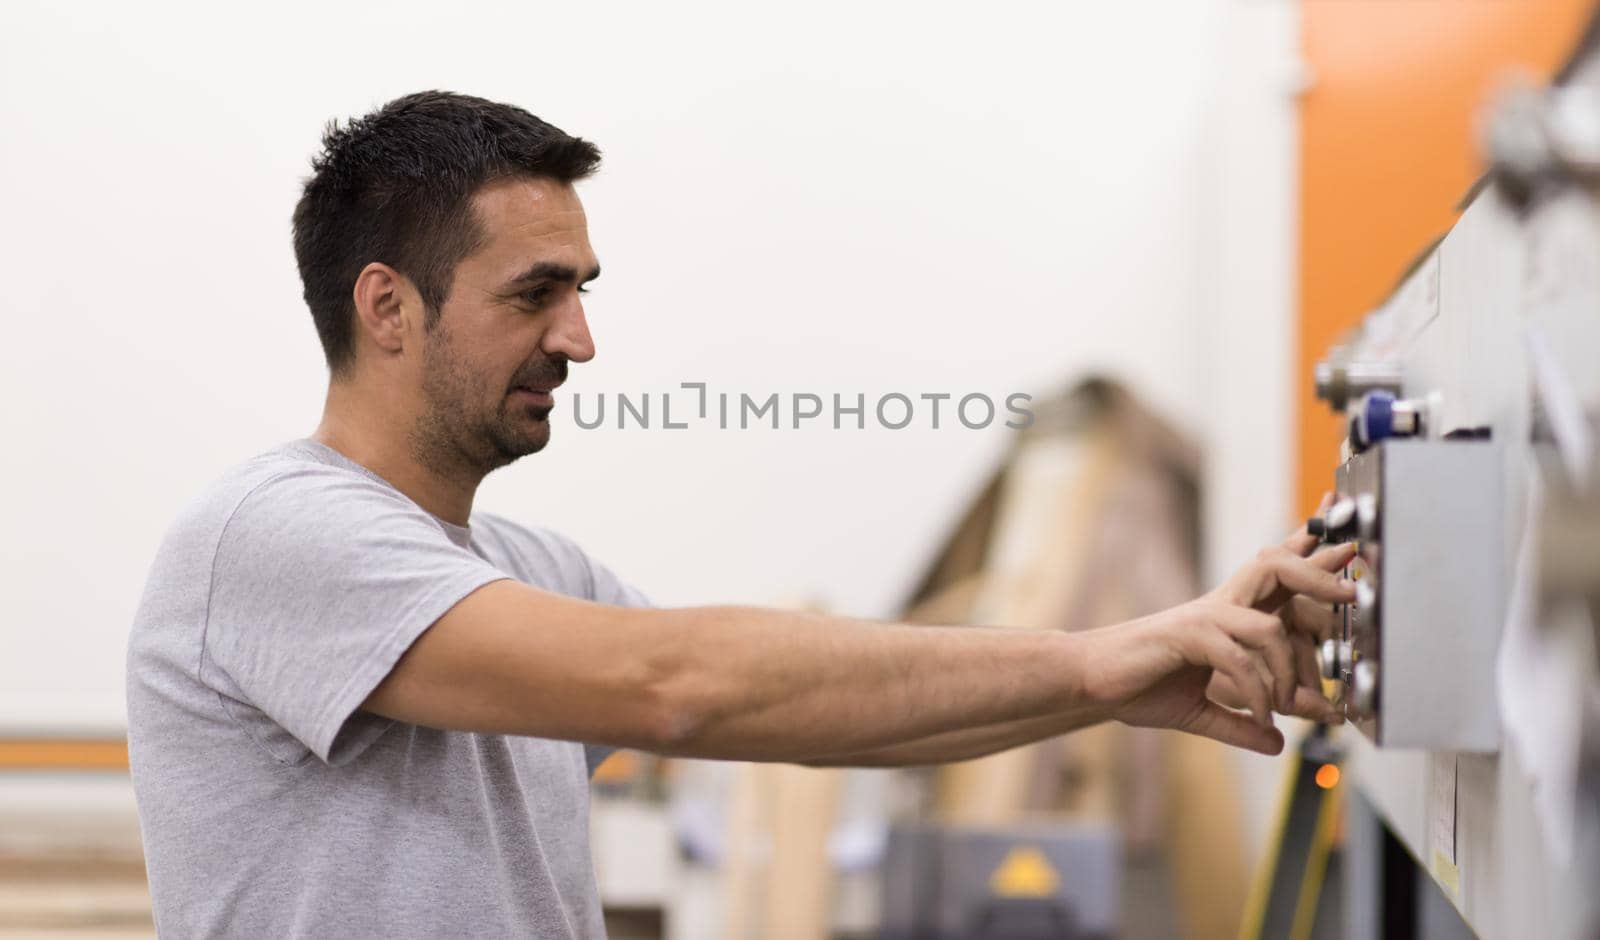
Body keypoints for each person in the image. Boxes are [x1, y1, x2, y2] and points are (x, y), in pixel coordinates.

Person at [126, 91, 1353, 938]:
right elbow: (680, 684)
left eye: (583, 291)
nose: (581, 339)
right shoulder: (276, 535)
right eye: (535, 294)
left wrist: (1105, 681)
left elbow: (817, 717)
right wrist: (1090, 657)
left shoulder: (521, 563)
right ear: (386, 308)